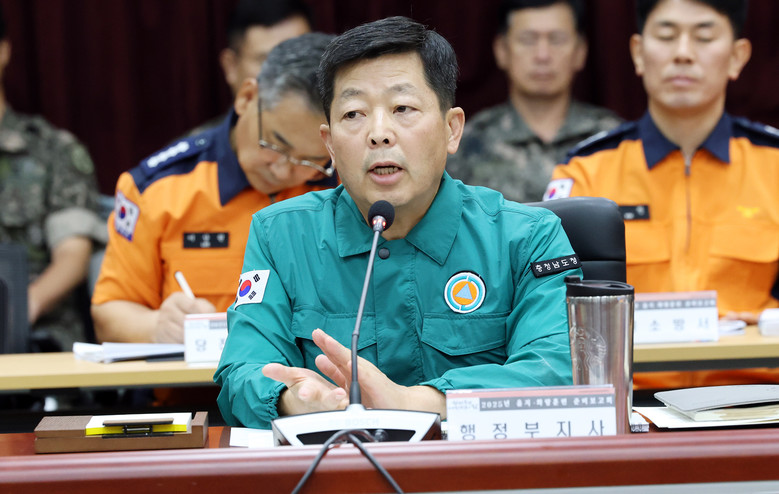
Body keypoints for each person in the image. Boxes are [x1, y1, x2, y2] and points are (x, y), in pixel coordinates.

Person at [215, 16, 581, 429]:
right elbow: (242, 372)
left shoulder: (528, 238)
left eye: (402, 108)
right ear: (329, 144)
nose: (378, 133)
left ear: (452, 130)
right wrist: (293, 402)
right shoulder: (280, 235)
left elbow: (559, 368)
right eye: (353, 113)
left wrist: (418, 402)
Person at [546, 0, 779, 388]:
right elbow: (547, 307)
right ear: (638, 53)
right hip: (629, 401)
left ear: (737, 57)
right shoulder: (587, 170)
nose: (683, 53)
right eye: (667, 36)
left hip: (756, 399)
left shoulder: (773, 164)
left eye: (704, 36)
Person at [91, 32, 337, 344]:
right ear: (247, 97)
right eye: (275, 145)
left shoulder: (347, 187)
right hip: (200, 376)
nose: (283, 170)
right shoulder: (159, 188)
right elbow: (109, 313)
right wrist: (156, 326)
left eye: (310, 160)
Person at [0, 6, 105, 352]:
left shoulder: (53, 150)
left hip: (36, 335)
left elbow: (72, 256)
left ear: (3, 50)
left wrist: (17, 312)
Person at [446, 0, 621, 203]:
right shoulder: (466, 143)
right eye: (528, 40)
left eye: (557, 40)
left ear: (580, 51)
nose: (542, 55)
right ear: (502, 50)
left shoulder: (613, 139)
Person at [185, 0, 312, 136]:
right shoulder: (199, 148)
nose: (288, 76)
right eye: (268, 61)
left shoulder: (329, 142)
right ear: (231, 66)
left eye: (299, 59)